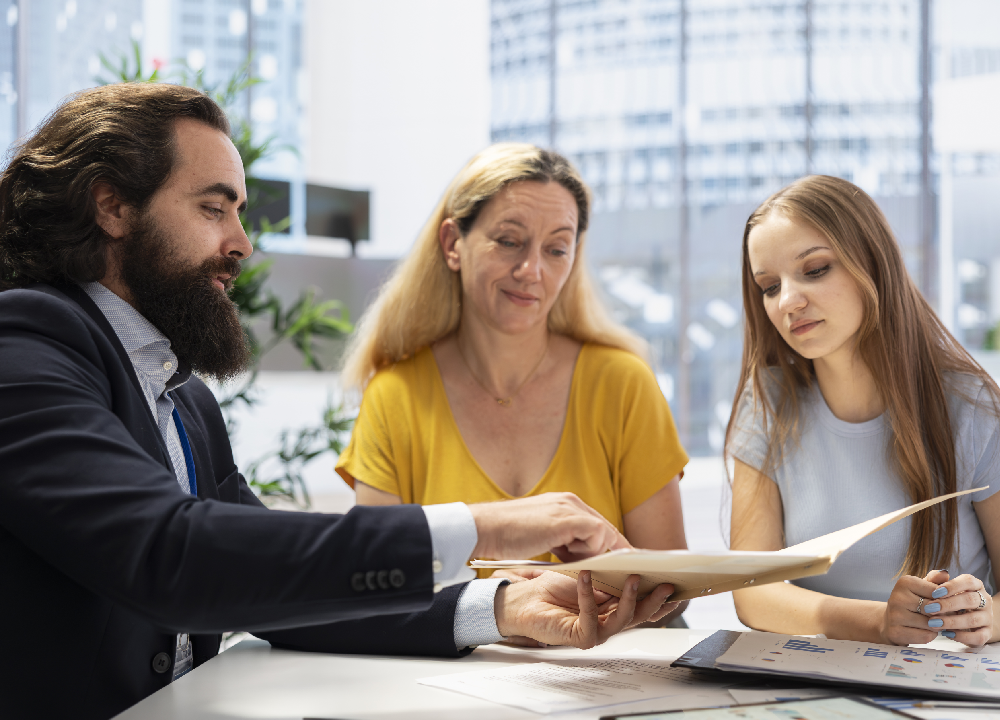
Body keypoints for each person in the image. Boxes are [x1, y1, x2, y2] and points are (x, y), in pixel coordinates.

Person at [0, 84, 678, 720]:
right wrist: (488, 528)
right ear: (112, 206)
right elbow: (172, 552)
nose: (242, 244)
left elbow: (276, 589)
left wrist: (502, 607)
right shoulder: (24, 344)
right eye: (213, 209)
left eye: (238, 213)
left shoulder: (184, 401)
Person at [335, 143, 689, 629]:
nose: (532, 271)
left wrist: (611, 568)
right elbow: (368, 579)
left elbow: (676, 592)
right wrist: (488, 598)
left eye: (557, 249)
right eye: (508, 240)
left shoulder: (623, 383)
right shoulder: (395, 394)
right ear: (452, 244)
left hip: (605, 678)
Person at [727, 174, 1000, 648]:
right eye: (769, 286)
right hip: (814, 684)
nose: (788, 300)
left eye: (814, 270)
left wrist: (987, 618)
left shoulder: (972, 409)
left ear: (871, 264)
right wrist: (874, 621)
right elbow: (753, 591)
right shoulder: (768, 403)